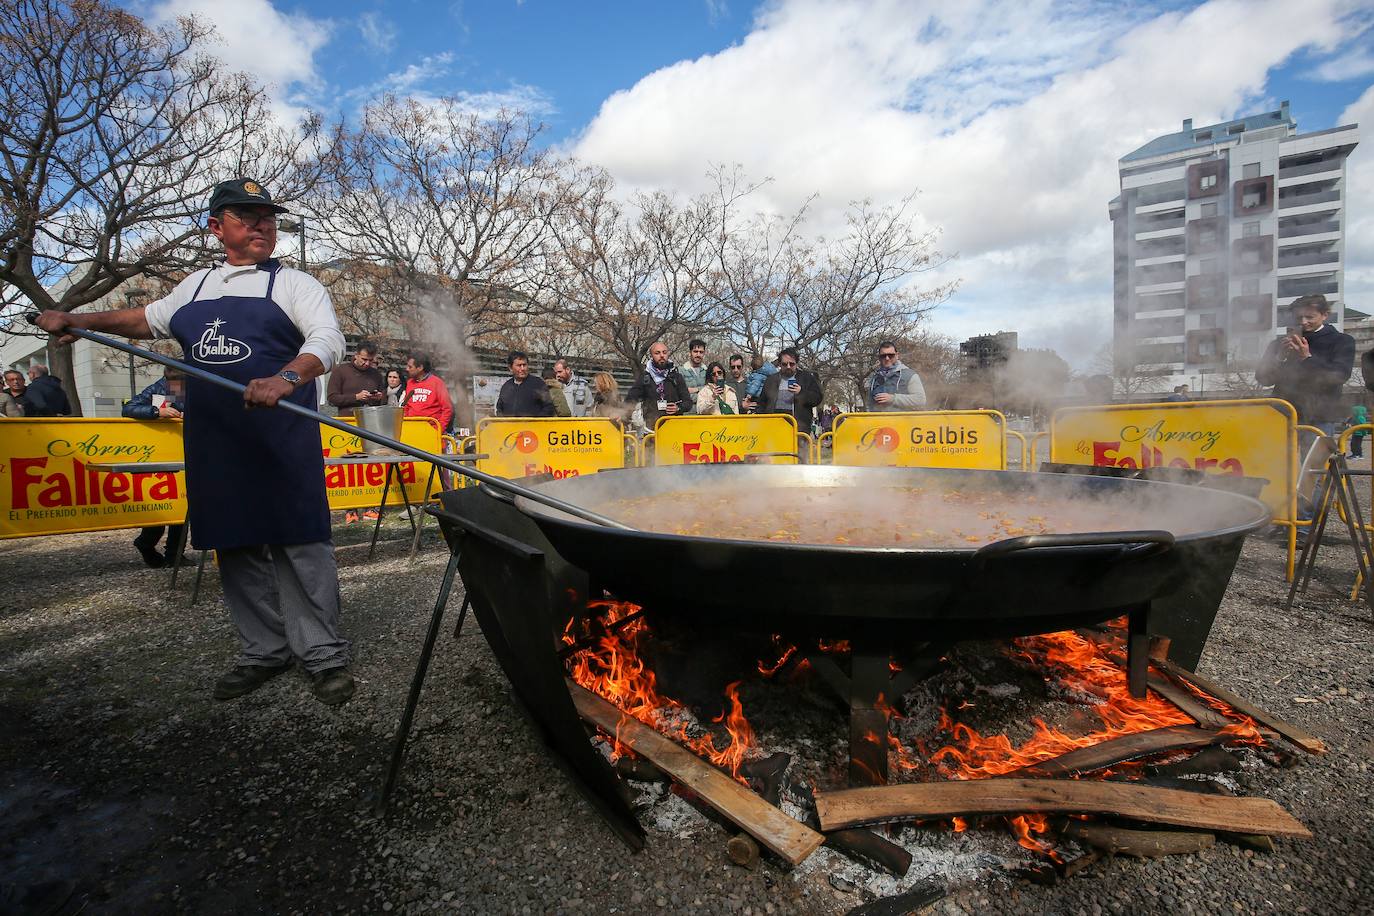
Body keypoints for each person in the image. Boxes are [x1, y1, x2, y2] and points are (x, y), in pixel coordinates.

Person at [34, 177, 354, 705]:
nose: (261, 225)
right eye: (246, 216)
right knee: (235, 543)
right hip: (217, 441)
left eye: (267, 217)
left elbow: (327, 339)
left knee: (300, 543)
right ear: (216, 226)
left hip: (280, 440)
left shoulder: (295, 285)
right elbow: (142, 320)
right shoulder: (195, 287)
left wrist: (288, 378)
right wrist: (79, 319)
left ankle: (323, 655)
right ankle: (264, 650)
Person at [1255, 294, 1356, 436]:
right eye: (1298, 318)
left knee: (1315, 459)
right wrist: (1279, 358)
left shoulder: (1341, 341)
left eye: (1310, 317)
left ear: (1324, 315)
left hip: (1319, 416)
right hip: (1282, 413)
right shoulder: (1278, 343)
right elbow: (1263, 379)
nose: (1303, 322)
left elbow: (1340, 376)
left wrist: (1307, 358)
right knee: (1278, 458)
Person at [122, 368, 188, 567]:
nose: (177, 388)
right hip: (162, 453)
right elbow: (128, 408)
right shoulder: (157, 389)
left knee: (183, 506)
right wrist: (158, 411)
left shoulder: (195, 386)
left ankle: (175, 554)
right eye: (173, 384)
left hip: (184, 451)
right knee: (163, 506)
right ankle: (146, 543)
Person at [625, 341, 691, 429]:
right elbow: (630, 400)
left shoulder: (676, 377)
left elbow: (688, 402)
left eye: (664, 352)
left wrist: (678, 408)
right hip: (652, 430)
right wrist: (621, 415)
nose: (662, 356)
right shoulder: (645, 378)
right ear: (651, 356)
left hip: (675, 428)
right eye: (657, 353)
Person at [763, 347, 822, 430]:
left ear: (796, 364)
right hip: (773, 427)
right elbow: (762, 403)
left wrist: (801, 392)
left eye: (792, 364)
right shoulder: (771, 380)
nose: (788, 367)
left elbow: (817, 398)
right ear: (779, 364)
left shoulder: (806, 378)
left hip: (799, 427)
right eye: (784, 364)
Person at [864, 342, 927, 412]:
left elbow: (920, 400)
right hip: (879, 422)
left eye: (890, 355)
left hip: (905, 422)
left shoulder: (909, 375)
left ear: (897, 355)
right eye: (883, 356)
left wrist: (893, 398)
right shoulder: (874, 379)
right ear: (879, 358)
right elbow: (869, 405)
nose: (887, 358)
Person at [326, 340, 385, 413]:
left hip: (370, 419)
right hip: (347, 420)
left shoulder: (376, 375)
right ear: (356, 355)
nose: (367, 363)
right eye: (364, 359)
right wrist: (356, 397)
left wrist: (378, 398)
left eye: (371, 360)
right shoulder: (341, 371)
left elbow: (383, 403)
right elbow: (332, 399)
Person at [403, 351, 454, 433]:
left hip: (430, 431)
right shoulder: (409, 383)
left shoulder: (437, 383)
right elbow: (406, 406)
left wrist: (438, 430)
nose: (407, 369)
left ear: (420, 368)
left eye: (410, 367)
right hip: (411, 429)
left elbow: (447, 409)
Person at [495, 351, 556, 417]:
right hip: (509, 426)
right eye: (519, 365)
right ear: (510, 368)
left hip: (532, 426)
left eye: (524, 365)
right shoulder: (506, 387)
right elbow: (499, 408)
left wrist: (536, 422)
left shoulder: (538, 384)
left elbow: (549, 407)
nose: (522, 368)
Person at [678, 339, 708, 410]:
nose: (698, 355)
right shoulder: (681, 371)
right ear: (690, 352)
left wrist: (696, 389)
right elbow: (681, 395)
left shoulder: (707, 371)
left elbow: (711, 392)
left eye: (701, 352)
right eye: (695, 352)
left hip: (705, 413)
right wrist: (704, 393)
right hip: (688, 414)